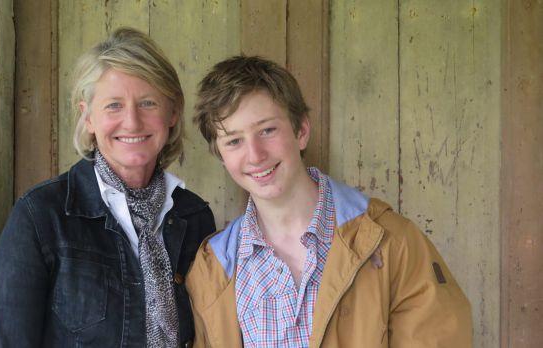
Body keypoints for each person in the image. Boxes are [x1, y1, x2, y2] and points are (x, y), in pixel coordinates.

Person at [187, 56, 472, 347]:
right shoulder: (213, 271)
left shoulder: (391, 242)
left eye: (267, 130)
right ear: (221, 156)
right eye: (234, 141)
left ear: (301, 132)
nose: (255, 155)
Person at [0, 27, 215, 347]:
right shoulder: (40, 217)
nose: (132, 122)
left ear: (173, 112)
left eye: (148, 103)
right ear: (88, 117)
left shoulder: (195, 217)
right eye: (113, 106)